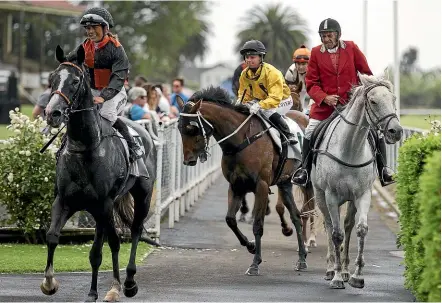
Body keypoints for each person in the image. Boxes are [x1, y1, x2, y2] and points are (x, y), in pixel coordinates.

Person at [291, 18, 395, 187]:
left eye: (329, 35)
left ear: (338, 34)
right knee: (310, 131)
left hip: (352, 105)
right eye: (323, 36)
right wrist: (325, 97)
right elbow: (311, 83)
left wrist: (368, 90)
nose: (326, 39)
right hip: (325, 108)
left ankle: (384, 171)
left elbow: (366, 73)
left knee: (376, 132)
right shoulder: (316, 53)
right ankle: (304, 170)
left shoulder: (352, 48)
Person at [60, 7, 143, 163]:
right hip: (92, 91)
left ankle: (132, 145)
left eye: (93, 27)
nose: (90, 31)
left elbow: (118, 79)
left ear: (105, 28)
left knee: (105, 116)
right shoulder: (85, 45)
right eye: (87, 28)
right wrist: (63, 61)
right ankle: (65, 146)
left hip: (114, 92)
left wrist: (103, 97)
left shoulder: (117, 49)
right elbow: (71, 60)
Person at [237, 39, 297, 145]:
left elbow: (275, 98)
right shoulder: (244, 74)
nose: (249, 60)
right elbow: (244, 94)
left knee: (266, 111)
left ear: (261, 57)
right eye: (247, 57)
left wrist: (259, 105)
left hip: (282, 100)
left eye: (252, 57)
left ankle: (288, 134)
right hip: (261, 100)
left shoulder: (272, 73)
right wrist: (239, 103)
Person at [285, 45, 313, 114]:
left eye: (303, 64)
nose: (300, 67)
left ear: (309, 63)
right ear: (294, 63)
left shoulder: (315, 72)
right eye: (298, 64)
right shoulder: (291, 72)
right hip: (299, 92)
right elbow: (286, 93)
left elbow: (316, 94)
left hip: (312, 91)